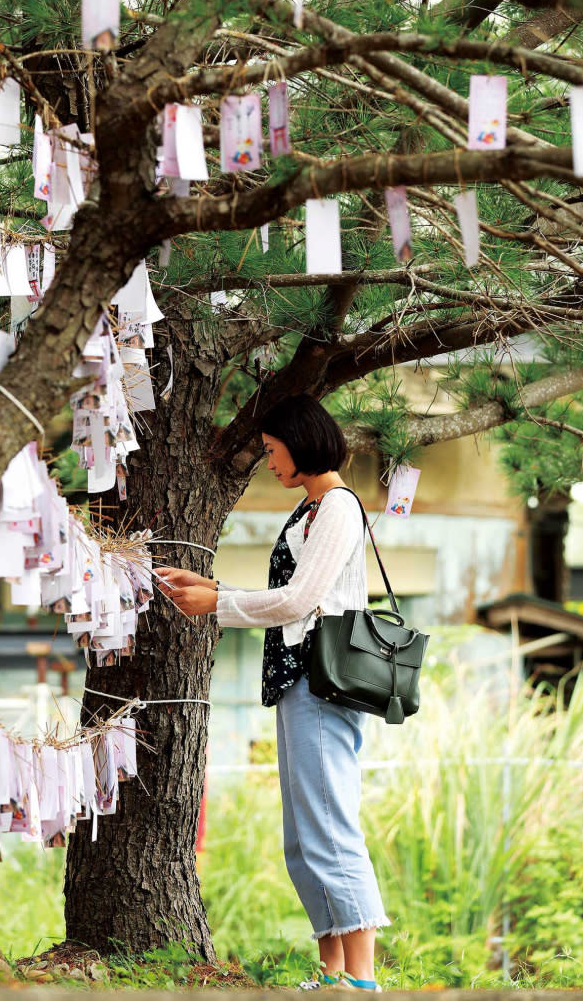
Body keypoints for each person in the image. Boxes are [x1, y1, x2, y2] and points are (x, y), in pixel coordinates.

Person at [155, 394, 389, 991]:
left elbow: (298, 602)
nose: (269, 462)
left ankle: (361, 979)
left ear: (300, 440)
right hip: (297, 678)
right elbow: (290, 598)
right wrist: (212, 587)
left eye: (272, 450)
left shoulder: (337, 507)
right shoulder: (309, 511)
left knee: (330, 824)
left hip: (324, 682)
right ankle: (332, 968)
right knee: (304, 833)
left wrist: (218, 604)